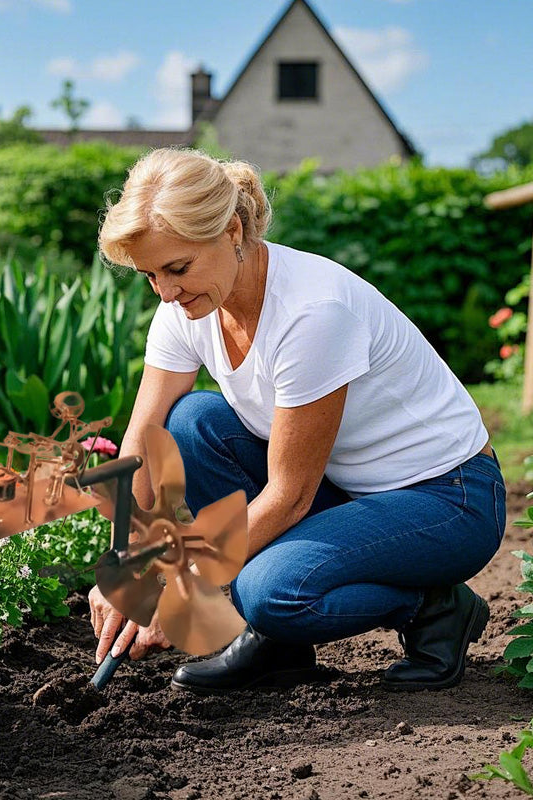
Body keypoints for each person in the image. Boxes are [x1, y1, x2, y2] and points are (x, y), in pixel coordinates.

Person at [88, 147, 506, 695]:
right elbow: (143, 438)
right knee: (192, 422)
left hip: (447, 498)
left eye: (178, 268)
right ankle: (280, 651)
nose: (165, 292)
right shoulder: (187, 308)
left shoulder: (312, 312)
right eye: (150, 275)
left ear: (233, 232)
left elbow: (289, 496)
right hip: (349, 489)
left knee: (269, 591)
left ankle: (435, 608)